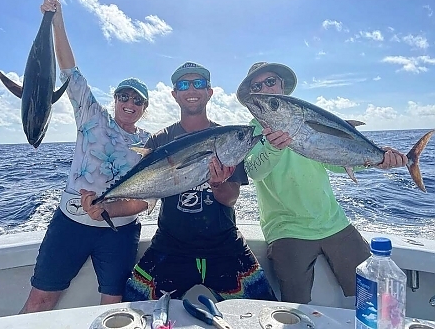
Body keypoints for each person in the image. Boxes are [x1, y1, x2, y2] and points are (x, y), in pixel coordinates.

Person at [237, 61, 409, 304]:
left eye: (270, 82)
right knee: (294, 308)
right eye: (257, 86)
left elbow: (334, 162)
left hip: (334, 222)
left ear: (282, 86)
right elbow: (254, 171)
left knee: (377, 297)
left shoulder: (305, 118)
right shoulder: (250, 134)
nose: (265, 88)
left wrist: (378, 160)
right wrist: (273, 148)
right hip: (286, 229)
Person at [20, 0, 150, 313]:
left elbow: (147, 200)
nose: (129, 103)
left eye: (138, 100)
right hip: (70, 224)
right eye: (124, 97)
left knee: (114, 308)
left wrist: (112, 207)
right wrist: (56, 18)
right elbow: (69, 69)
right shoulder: (92, 115)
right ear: (116, 99)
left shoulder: (148, 143)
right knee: (40, 300)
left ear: (145, 108)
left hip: (119, 233)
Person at [121, 61, 277, 302]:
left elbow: (230, 198)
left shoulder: (228, 139)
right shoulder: (160, 139)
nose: (191, 90)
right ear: (175, 95)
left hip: (225, 247)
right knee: (131, 312)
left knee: (266, 314)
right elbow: (143, 193)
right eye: (183, 84)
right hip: (170, 247)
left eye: (199, 83)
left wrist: (217, 184)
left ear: (209, 92)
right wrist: (106, 206)